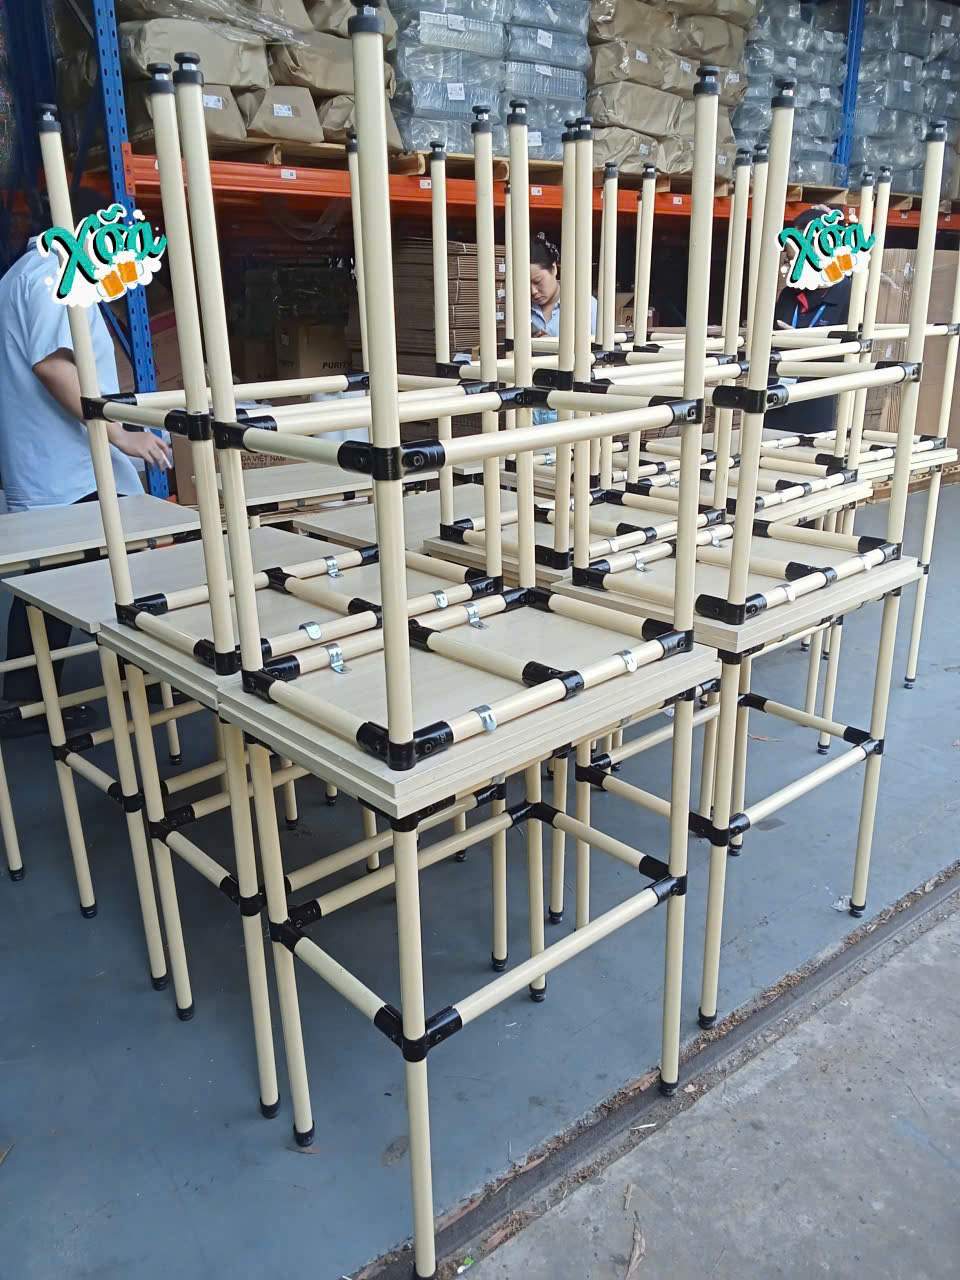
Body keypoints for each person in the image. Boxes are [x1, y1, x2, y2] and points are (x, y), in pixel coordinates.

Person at [0, 188, 171, 731]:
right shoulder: (51, 273)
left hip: (57, 464)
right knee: (111, 568)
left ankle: (24, 699)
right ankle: (143, 680)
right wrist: (121, 435)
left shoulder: (29, 273)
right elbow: (53, 365)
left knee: (58, 580)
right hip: (70, 467)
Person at [772, 205, 853, 433]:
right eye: (789, 260)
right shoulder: (789, 294)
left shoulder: (851, 297)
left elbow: (854, 356)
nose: (792, 267)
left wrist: (804, 344)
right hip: (775, 402)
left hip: (815, 410)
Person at [529, 231, 597, 424]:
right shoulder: (519, 309)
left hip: (572, 409)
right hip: (530, 408)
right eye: (525, 284)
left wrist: (552, 348)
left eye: (537, 281)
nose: (533, 291)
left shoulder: (585, 306)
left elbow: (599, 359)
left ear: (554, 269)